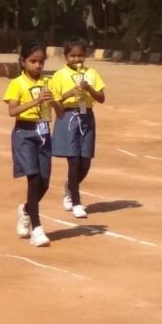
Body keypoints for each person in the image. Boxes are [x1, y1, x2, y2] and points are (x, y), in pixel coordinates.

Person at [2, 41, 62, 247]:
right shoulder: (17, 83)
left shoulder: (48, 82)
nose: (37, 65)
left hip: (43, 133)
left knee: (44, 183)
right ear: (23, 61)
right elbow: (12, 111)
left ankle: (26, 210)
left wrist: (54, 102)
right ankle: (37, 229)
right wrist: (36, 101)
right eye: (33, 61)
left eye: (41, 61)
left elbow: (60, 113)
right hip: (25, 133)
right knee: (34, 179)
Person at [50, 37, 106, 219]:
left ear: (85, 55)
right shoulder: (59, 75)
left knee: (85, 162)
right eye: (72, 56)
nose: (76, 59)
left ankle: (70, 185)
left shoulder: (92, 73)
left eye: (80, 56)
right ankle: (76, 202)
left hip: (86, 116)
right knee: (73, 161)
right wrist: (69, 93)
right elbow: (53, 101)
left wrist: (88, 88)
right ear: (65, 56)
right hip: (68, 117)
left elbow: (101, 98)